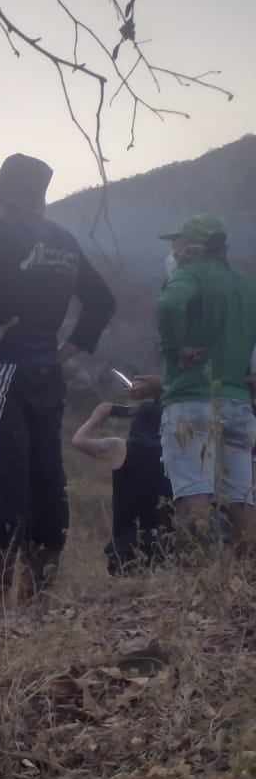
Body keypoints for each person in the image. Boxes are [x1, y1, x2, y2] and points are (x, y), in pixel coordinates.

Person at [0, 153, 115, 604]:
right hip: (47, 370)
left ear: (8, 196)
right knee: (47, 477)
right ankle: (38, 597)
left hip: (1, 371)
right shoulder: (64, 242)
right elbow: (102, 301)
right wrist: (70, 349)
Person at [148, 215, 256, 551]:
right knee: (241, 498)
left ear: (194, 247)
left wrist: (175, 347)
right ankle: (244, 580)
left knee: (194, 492)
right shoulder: (245, 285)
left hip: (191, 402)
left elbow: (169, 304)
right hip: (238, 404)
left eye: (177, 244)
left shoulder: (189, 274)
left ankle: (195, 582)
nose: (174, 251)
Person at [70, 401, 173, 574]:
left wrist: (98, 416)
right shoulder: (173, 452)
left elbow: (78, 440)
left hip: (127, 547)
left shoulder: (119, 448)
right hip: (166, 547)